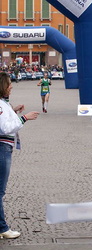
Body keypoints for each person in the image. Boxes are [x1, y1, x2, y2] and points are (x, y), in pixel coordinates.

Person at [0, 73, 39, 239]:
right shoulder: (1, 105)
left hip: (4, 148)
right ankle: (2, 228)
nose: (11, 86)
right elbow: (5, 128)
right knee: (0, 191)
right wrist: (24, 118)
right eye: (9, 84)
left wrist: (14, 111)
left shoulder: (4, 104)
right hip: (2, 148)